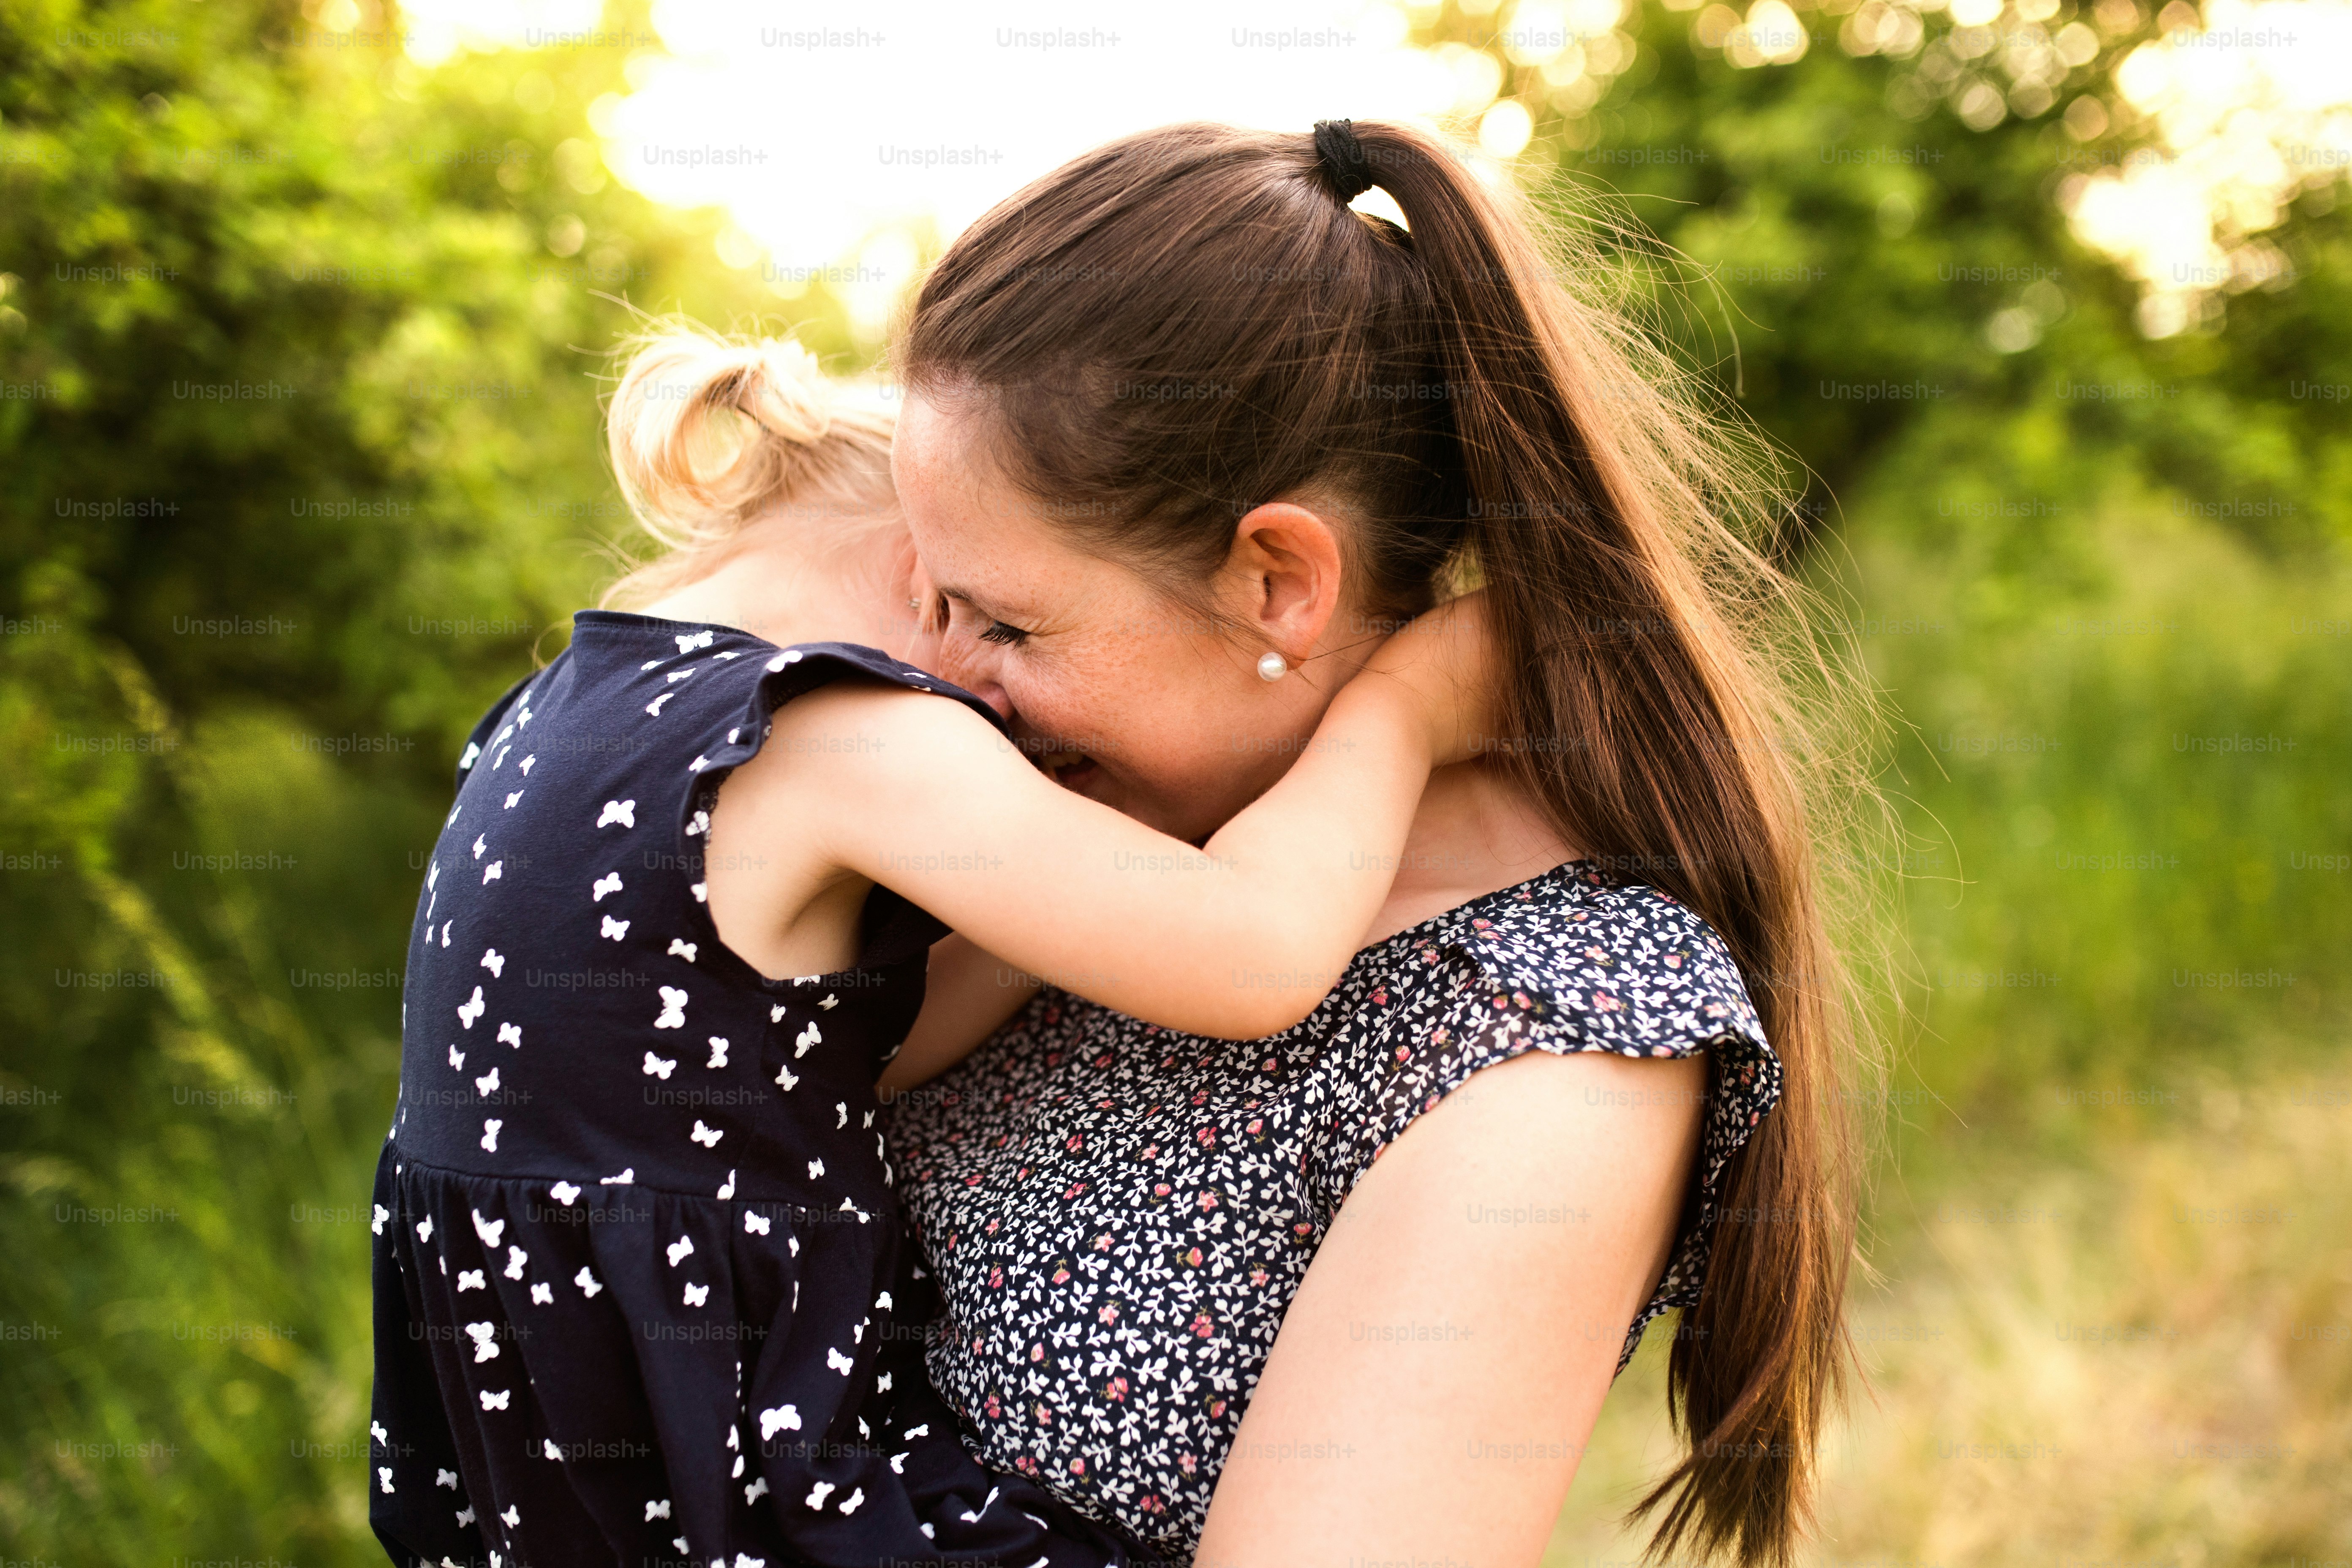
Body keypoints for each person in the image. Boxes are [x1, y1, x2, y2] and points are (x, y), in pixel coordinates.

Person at [880, 119, 1867, 1568]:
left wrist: (1392, 728)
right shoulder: (1088, 836)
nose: (936, 670)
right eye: (931, 599)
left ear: (1279, 580)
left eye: (1009, 624)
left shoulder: (1552, 1029)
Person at [365, 326, 1486, 1568]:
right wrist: (1406, 712)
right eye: (991, 632)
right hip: (777, 1500)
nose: (993, 703)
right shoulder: (838, 720)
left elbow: (854, 1052)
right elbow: (1260, 952)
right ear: (927, 572)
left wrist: (1073, 874)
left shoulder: (554, 719)